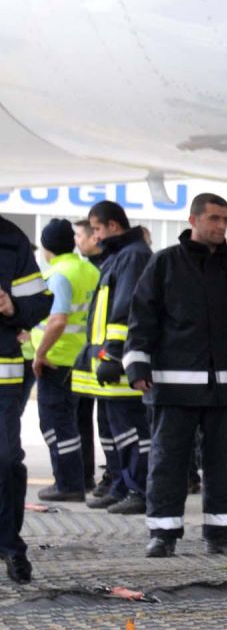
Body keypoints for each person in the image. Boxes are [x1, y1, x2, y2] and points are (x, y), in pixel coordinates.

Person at [123, 193, 227, 557]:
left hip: (225, 390)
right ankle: (163, 533)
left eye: (225, 219)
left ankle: (223, 532)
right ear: (193, 220)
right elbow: (142, 317)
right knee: (168, 461)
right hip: (173, 387)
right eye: (214, 218)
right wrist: (137, 365)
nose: (220, 226)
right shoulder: (164, 264)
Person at [76, 200, 153, 514]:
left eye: (96, 229)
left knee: (132, 431)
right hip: (108, 362)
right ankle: (121, 485)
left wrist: (113, 354)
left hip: (120, 363)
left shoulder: (132, 257)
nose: (94, 237)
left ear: (112, 226)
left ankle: (139, 490)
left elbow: (124, 311)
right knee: (114, 431)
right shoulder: (120, 256)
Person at [0, 215, 54, 582]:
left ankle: (9, 546)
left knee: (5, 460)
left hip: (2, 378)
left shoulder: (9, 239)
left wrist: (12, 309)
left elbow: (39, 302)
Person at [30, 218, 99, 501]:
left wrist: (40, 353)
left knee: (56, 423)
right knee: (76, 422)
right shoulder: (90, 270)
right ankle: (80, 479)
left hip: (57, 360)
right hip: (83, 359)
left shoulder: (59, 274)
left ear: (46, 247)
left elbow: (58, 320)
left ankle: (68, 484)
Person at [72, 220, 103, 495]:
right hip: (85, 355)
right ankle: (87, 476)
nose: (77, 240)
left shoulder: (96, 268)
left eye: (80, 235)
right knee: (87, 419)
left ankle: (83, 477)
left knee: (84, 419)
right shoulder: (93, 268)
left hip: (88, 356)